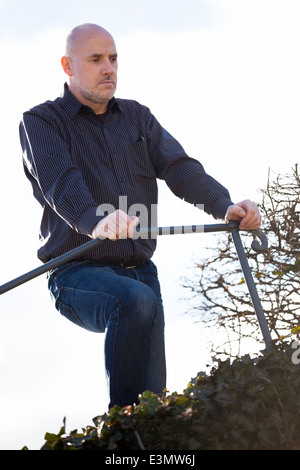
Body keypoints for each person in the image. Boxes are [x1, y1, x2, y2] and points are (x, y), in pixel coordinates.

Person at [19, 23, 261, 409]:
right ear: (68, 65)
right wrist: (94, 218)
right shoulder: (40, 122)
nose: (108, 68)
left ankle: (142, 432)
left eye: (113, 58)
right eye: (96, 59)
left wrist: (224, 205)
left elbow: (179, 167)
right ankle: (121, 430)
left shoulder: (137, 118)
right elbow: (59, 180)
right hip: (74, 271)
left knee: (154, 401)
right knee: (133, 301)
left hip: (141, 270)